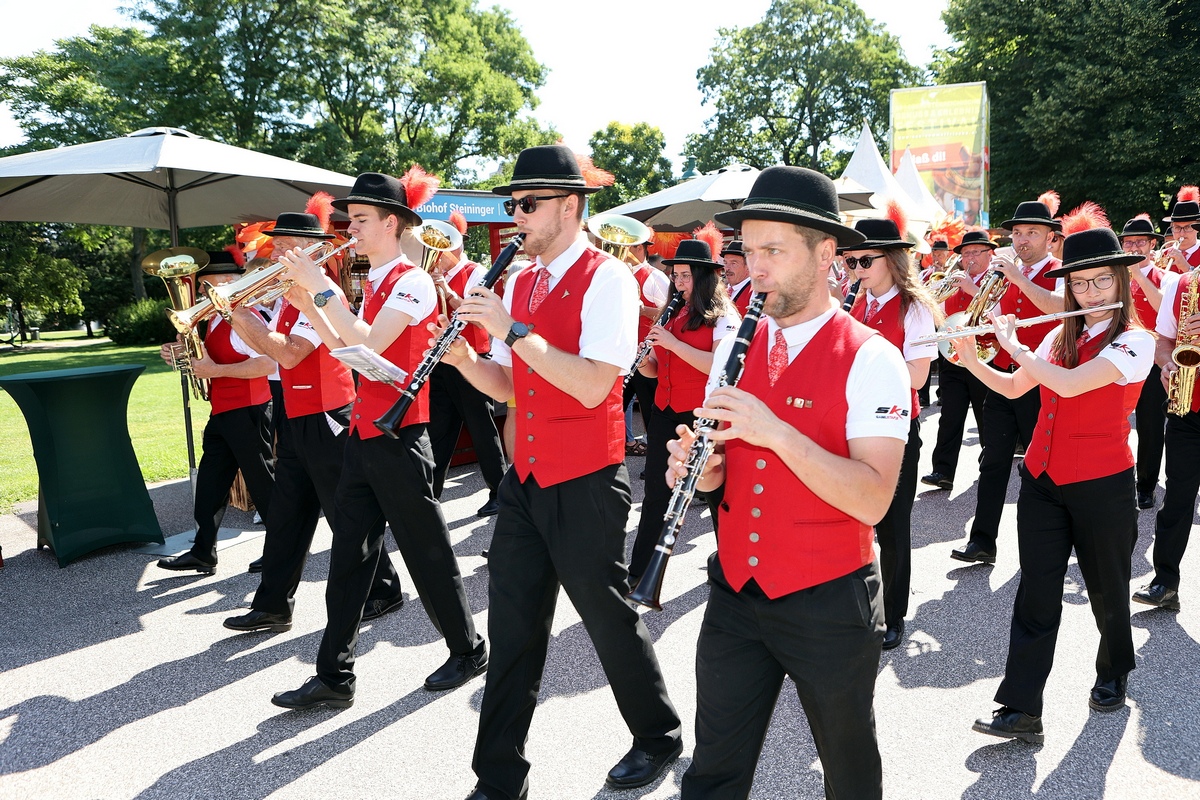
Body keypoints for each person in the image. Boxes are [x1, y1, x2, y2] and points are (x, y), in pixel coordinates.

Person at [435, 145, 683, 800]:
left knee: (607, 619)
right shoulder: (520, 280)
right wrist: (463, 359)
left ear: (569, 207)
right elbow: (512, 388)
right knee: (512, 628)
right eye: (511, 204)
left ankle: (657, 734)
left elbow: (592, 383)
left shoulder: (610, 279)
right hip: (527, 480)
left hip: (587, 480)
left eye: (526, 204)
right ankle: (497, 779)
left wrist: (511, 330)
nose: (514, 215)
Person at [668, 165, 910, 800]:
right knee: (713, 767)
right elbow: (724, 476)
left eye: (774, 250)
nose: (757, 266)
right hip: (735, 590)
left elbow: (874, 498)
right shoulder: (734, 347)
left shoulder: (873, 357)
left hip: (828, 599)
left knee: (848, 768)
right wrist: (702, 474)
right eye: (749, 250)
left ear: (826, 252)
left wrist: (776, 431)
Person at [269, 171, 485, 710]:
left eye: (361, 220)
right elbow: (343, 341)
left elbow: (368, 341)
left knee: (427, 551)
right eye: (350, 219)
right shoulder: (376, 282)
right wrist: (311, 302)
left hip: (402, 436)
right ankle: (334, 674)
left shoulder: (411, 280)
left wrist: (319, 289)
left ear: (392, 223)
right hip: (367, 433)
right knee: (348, 555)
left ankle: (468, 647)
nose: (351, 228)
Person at [959, 227, 1152, 742]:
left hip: (1102, 483)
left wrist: (1014, 346)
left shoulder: (1135, 340)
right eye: (1081, 285)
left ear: (1120, 283)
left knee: (1107, 589)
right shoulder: (1057, 335)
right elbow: (1015, 386)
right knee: (1035, 591)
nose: (1090, 294)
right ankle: (1022, 708)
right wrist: (972, 357)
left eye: (1101, 283)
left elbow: (1068, 383)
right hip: (1042, 480)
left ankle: (1114, 670)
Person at [221, 204, 404, 632]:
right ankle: (272, 604)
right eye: (276, 245)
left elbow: (288, 351)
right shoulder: (288, 297)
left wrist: (235, 311)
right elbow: (273, 353)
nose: (277, 253)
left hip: (327, 415)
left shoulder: (322, 295)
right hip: (296, 412)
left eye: (286, 245)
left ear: (311, 249)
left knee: (346, 514)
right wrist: (240, 313)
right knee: (286, 516)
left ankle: (384, 588)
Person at [843, 210, 939, 650]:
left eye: (867, 261)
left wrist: (869, 365)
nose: (858, 270)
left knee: (893, 525)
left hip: (897, 425)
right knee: (853, 517)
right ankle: (858, 603)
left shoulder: (914, 307)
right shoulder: (854, 302)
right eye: (852, 261)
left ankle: (894, 612)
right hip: (853, 422)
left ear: (893, 260)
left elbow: (918, 376)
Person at [950, 196, 1065, 565]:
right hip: (1003, 375)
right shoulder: (1002, 274)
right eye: (1017, 233)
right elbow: (993, 316)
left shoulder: (1062, 271)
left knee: (1043, 464)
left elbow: (1058, 308)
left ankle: (1051, 545)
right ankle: (982, 541)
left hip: (1043, 379)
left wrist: (1017, 278)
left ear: (1050, 237)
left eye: (1032, 232)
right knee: (993, 460)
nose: (1022, 239)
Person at [628, 233, 739, 582]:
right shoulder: (672, 312)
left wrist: (673, 344)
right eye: (675, 275)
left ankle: (732, 569)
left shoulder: (724, 315)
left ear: (704, 277)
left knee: (718, 496)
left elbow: (720, 368)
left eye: (685, 276)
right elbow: (660, 368)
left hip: (703, 415)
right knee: (656, 495)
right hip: (665, 410)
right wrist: (644, 361)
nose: (678, 282)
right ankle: (641, 573)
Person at [157, 255, 276, 574]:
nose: (200, 291)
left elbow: (269, 363)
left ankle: (281, 549)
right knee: (210, 485)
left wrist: (214, 369)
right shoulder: (211, 317)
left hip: (249, 409)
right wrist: (178, 352)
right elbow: (203, 358)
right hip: (223, 411)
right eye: (201, 285)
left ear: (226, 283)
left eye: (206, 284)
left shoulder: (249, 316)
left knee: (263, 485)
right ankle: (203, 551)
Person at [1134, 208, 1200, 612]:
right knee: (1177, 498)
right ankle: (1165, 580)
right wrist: (1168, 364)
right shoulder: (1181, 285)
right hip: (1186, 408)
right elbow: (1163, 341)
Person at [427, 211, 508, 517]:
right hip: (443, 359)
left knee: (481, 427)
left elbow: (473, 310)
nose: (436, 251)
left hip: (474, 358)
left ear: (456, 246)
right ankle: (429, 493)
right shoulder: (432, 273)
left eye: (443, 244)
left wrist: (444, 290)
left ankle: (499, 491)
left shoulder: (476, 270)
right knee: (439, 428)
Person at [922, 230, 996, 491]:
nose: (970, 258)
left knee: (985, 413)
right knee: (950, 415)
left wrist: (972, 289)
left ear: (990, 254)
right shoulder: (953, 280)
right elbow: (937, 316)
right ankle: (943, 470)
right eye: (966, 253)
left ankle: (990, 461)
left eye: (976, 252)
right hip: (952, 356)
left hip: (983, 356)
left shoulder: (998, 279)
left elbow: (998, 314)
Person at [1117, 215, 1168, 509]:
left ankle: (1145, 484)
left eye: (1139, 242)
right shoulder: (1114, 275)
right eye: (1128, 242)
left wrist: (1138, 275)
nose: (1133, 246)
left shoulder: (1165, 277)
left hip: (1151, 363)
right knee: (1114, 422)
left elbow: (1163, 308)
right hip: (1120, 359)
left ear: (1151, 245)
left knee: (1150, 427)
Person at [621, 235, 672, 455]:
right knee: (615, 404)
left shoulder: (654, 276)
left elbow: (671, 312)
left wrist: (641, 310)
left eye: (626, 246)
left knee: (650, 407)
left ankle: (656, 457)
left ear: (640, 248)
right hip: (625, 354)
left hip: (648, 355)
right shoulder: (621, 274)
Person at [1158, 186, 1200, 273]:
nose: (1181, 233)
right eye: (1177, 227)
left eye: (1187, 227)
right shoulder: (1161, 255)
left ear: (1197, 228)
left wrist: (1187, 268)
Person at [721, 239, 753, 316]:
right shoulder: (723, 291)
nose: (727, 268)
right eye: (725, 263)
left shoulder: (754, 292)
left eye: (733, 263)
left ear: (748, 265)